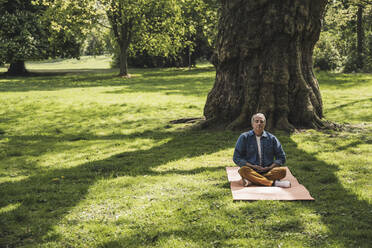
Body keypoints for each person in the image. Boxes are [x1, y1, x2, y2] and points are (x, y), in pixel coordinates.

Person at [233, 113, 291, 188]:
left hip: (268, 171)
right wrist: (253, 166)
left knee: (283, 171)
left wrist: (270, 167)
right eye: (256, 121)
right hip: (251, 170)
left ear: (265, 124)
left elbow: (281, 157)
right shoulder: (244, 137)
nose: (259, 124)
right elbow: (236, 157)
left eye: (261, 121)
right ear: (252, 124)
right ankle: (273, 183)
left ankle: (252, 180)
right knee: (243, 170)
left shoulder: (272, 138)